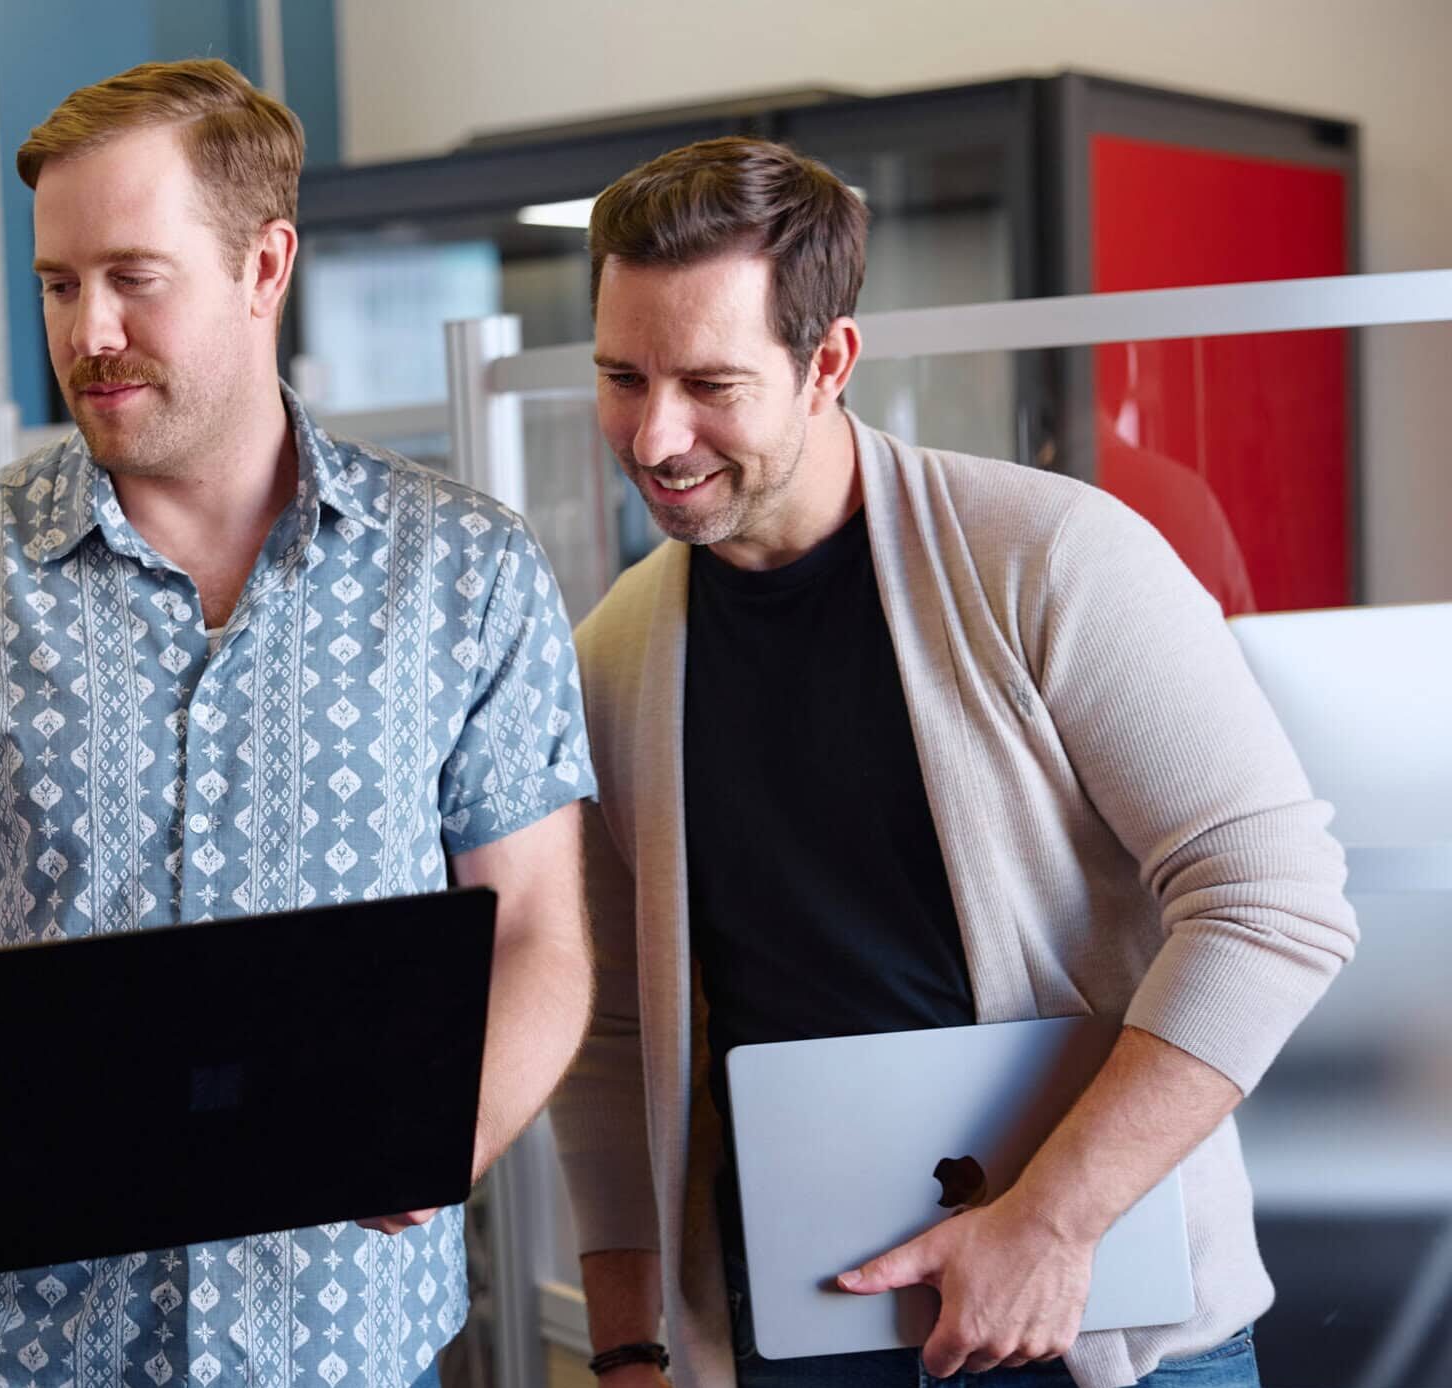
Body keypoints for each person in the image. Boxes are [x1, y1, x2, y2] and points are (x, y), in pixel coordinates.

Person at [0, 58, 596, 1388]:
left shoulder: (465, 571)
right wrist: (81, 1119)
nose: (88, 329)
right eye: (59, 284)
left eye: (133, 276)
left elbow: (538, 933)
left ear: (263, 265)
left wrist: (446, 1128)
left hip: (339, 1337)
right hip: (15, 1349)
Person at [546, 138, 1358, 1388]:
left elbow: (1276, 902)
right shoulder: (615, 658)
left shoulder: (1053, 558)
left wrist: (1053, 1219)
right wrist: (627, 1342)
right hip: (800, 1335)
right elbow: (611, 1033)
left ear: (830, 363)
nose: (656, 435)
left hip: (1099, 1318)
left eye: (711, 382)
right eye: (620, 375)